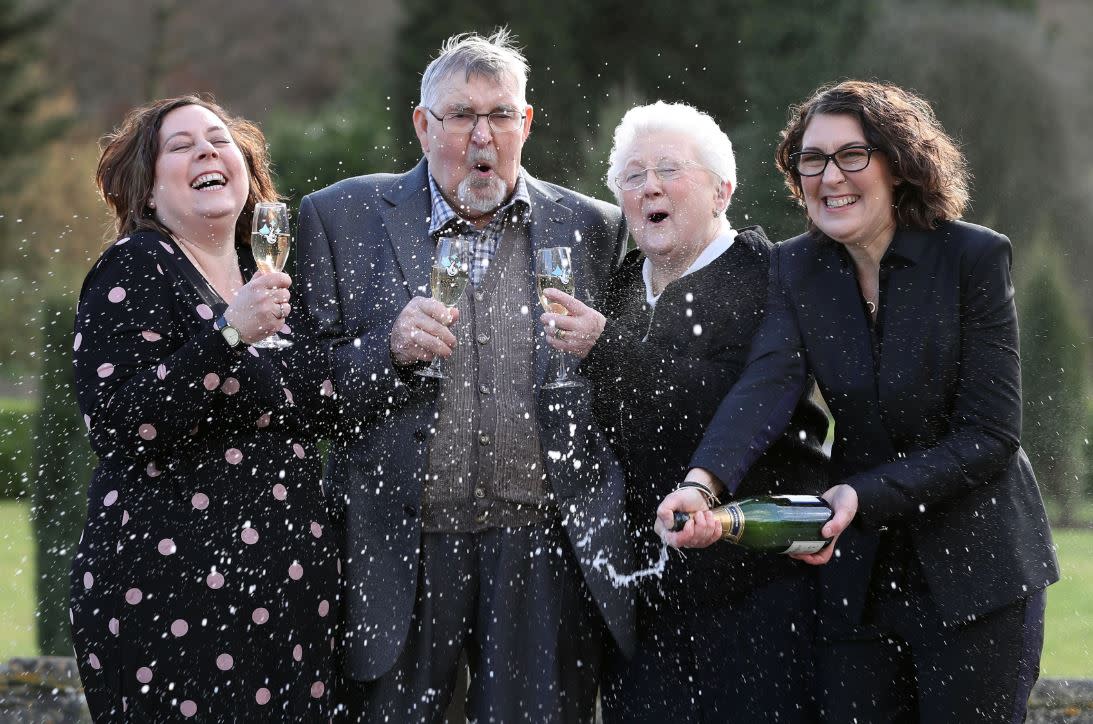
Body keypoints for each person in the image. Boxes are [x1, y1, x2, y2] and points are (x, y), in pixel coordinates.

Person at [658, 80, 1060, 722]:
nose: (829, 177)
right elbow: (765, 386)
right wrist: (703, 484)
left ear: (897, 164)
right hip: (859, 576)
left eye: (852, 155)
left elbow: (991, 433)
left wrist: (860, 495)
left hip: (979, 578)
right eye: (810, 160)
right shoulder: (797, 268)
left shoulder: (974, 256)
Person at [293, 29, 634, 722]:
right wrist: (383, 352)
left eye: (500, 115)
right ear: (423, 125)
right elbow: (300, 392)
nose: (483, 135)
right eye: (460, 115)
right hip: (395, 551)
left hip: (544, 551)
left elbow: (624, 388)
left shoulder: (593, 226)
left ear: (526, 123)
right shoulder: (341, 216)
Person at [537, 101, 828, 723]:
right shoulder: (616, 286)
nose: (649, 187)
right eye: (632, 176)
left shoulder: (769, 275)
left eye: (670, 169)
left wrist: (606, 346)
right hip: (646, 589)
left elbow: (733, 404)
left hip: (759, 586)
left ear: (724, 189)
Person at [70, 95, 339, 720]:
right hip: (171, 602)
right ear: (147, 189)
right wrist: (227, 336)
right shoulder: (135, 267)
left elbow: (322, 403)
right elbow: (119, 424)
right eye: (181, 145)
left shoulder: (267, 278)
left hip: (291, 601)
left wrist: (402, 353)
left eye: (218, 140)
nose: (206, 151)